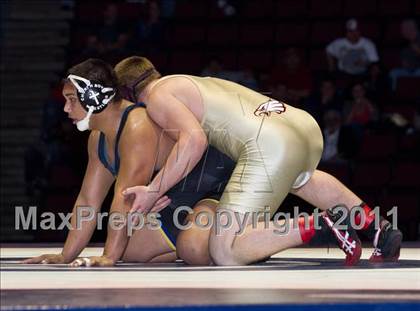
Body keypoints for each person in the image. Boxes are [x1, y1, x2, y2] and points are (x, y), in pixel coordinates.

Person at [112, 56, 402, 266]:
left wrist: (153, 190)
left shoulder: (157, 97)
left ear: (128, 96)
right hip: (300, 124)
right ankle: (379, 229)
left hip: (269, 144)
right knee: (301, 179)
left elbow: (194, 141)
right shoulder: (188, 82)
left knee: (225, 251)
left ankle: (322, 224)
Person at [22, 59, 236, 266]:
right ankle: (195, 237)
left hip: (214, 183)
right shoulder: (98, 138)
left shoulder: (137, 126)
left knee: (194, 251)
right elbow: (88, 200)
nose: (66, 109)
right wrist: (66, 255)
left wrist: (108, 257)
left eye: (72, 99)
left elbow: (125, 196)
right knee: (132, 252)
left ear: (94, 97)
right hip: (179, 193)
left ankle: (238, 235)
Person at [389, 19, 420, 90]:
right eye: (402, 28)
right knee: (393, 73)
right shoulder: (405, 43)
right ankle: (395, 94)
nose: (402, 31)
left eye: (404, 28)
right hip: (410, 70)